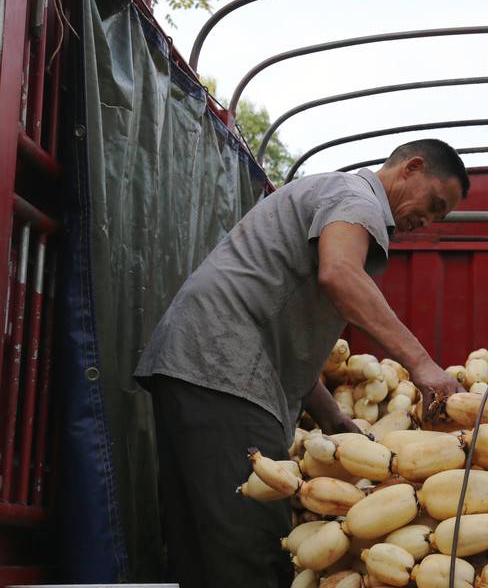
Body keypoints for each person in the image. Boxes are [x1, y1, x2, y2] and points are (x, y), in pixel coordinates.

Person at [134, 139, 469, 587]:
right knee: (252, 550)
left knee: (201, 554)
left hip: (196, 369)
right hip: (224, 374)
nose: (426, 221)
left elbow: (287, 339)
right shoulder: (357, 200)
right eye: (433, 203)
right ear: (411, 167)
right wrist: (422, 364)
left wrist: (332, 418)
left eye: (438, 217)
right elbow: (340, 275)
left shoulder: (333, 196)